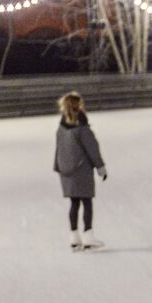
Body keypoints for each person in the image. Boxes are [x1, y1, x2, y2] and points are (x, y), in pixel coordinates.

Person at [53, 91, 106, 251]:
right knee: (87, 202)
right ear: (79, 106)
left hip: (66, 171)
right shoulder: (82, 128)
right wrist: (100, 167)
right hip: (81, 170)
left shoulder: (61, 128)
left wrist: (58, 167)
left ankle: (74, 238)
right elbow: (92, 148)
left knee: (74, 203)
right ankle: (88, 237)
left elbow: (59, 149)